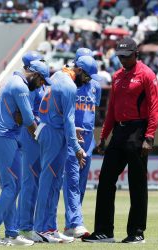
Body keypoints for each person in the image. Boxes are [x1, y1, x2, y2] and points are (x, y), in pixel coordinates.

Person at [82, 37, 158, 244]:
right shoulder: (117, 76)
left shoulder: (147, 75)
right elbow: (111, 111)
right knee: (106, 179)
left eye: (126, 57)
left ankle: (136, 232)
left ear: (136, 54)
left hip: (138, 131)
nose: (123, 61)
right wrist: (103, 137)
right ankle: (104, 231)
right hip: (119, 131)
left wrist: (149, 136)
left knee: (137, 183)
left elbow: (154, 107)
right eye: (120, 57)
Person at [0, 60, 52, 246]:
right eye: (42, 80)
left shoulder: (14, 81)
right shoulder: (21, 86)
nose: (42, 85)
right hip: (5, 137)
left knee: (11, 187)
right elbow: (27, 119)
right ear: (35, 75)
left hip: (3, 136)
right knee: (13, 187)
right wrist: (43, 139)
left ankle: (11, 233)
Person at [33, 55, 100, 243]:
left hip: (50, 129)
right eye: (86, 77)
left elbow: (60, 114)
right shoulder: (70, 86)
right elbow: (69, 119)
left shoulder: (56, 76)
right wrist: (77, 147)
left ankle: (50, 227)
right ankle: (41, 228)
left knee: (53, 182)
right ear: (78, 70)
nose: (86, 82)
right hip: (54, 133)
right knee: (49, 182)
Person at [62, 48, 102, 238]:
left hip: (88, 139)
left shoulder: (95, 85)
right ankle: (77, 223)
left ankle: (70, 224)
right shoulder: (67, 82)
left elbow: (93, 111)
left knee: (81, 184)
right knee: (72, 181)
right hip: (71, 137)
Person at [17, 51, 46, 242]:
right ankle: (24, 227)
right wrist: (39, 133)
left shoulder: (36, 85)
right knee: (29, 183)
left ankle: (30, 225)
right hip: (31, 136)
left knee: (34, 183)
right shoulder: (29, 87)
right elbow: (27, 118)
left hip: (36, 135)